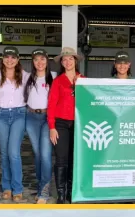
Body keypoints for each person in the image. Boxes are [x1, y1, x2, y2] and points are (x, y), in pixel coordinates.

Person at [48, 47, 84, 204]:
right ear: (61, 63)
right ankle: (61, 195)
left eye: (71, 58)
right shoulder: (58, 81)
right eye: (65, 59)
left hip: (79, 124)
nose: (68, 62)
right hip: (61, 124)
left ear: (75, 61)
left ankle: (72, 192)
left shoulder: (83, 80)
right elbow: (51, 105)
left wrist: (80, 86)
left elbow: (88, 103)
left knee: (74, 159)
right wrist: (52, 127)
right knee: (61, 159)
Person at [0, 46, 28, 202]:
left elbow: (43, 80)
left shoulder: (26, 76)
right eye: (7, 57)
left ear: (18, 59)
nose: (10, 60)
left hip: (19, 114)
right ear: (2, 58)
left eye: (13, 57)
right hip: (1, 115)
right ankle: (6, 187)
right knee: (5, 152)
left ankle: (17, 188)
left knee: (14, 152)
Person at [24, 48, 57, 204]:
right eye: (36, 59)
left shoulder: (54, 78)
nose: (39, 62)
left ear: (47, 61)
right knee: (37, 154)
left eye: (42, 59)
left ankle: (44, 191)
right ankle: (40, 185)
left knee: (45, 154)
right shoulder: (27, 78)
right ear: (33, 62)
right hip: (31, 117)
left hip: (47, 119)